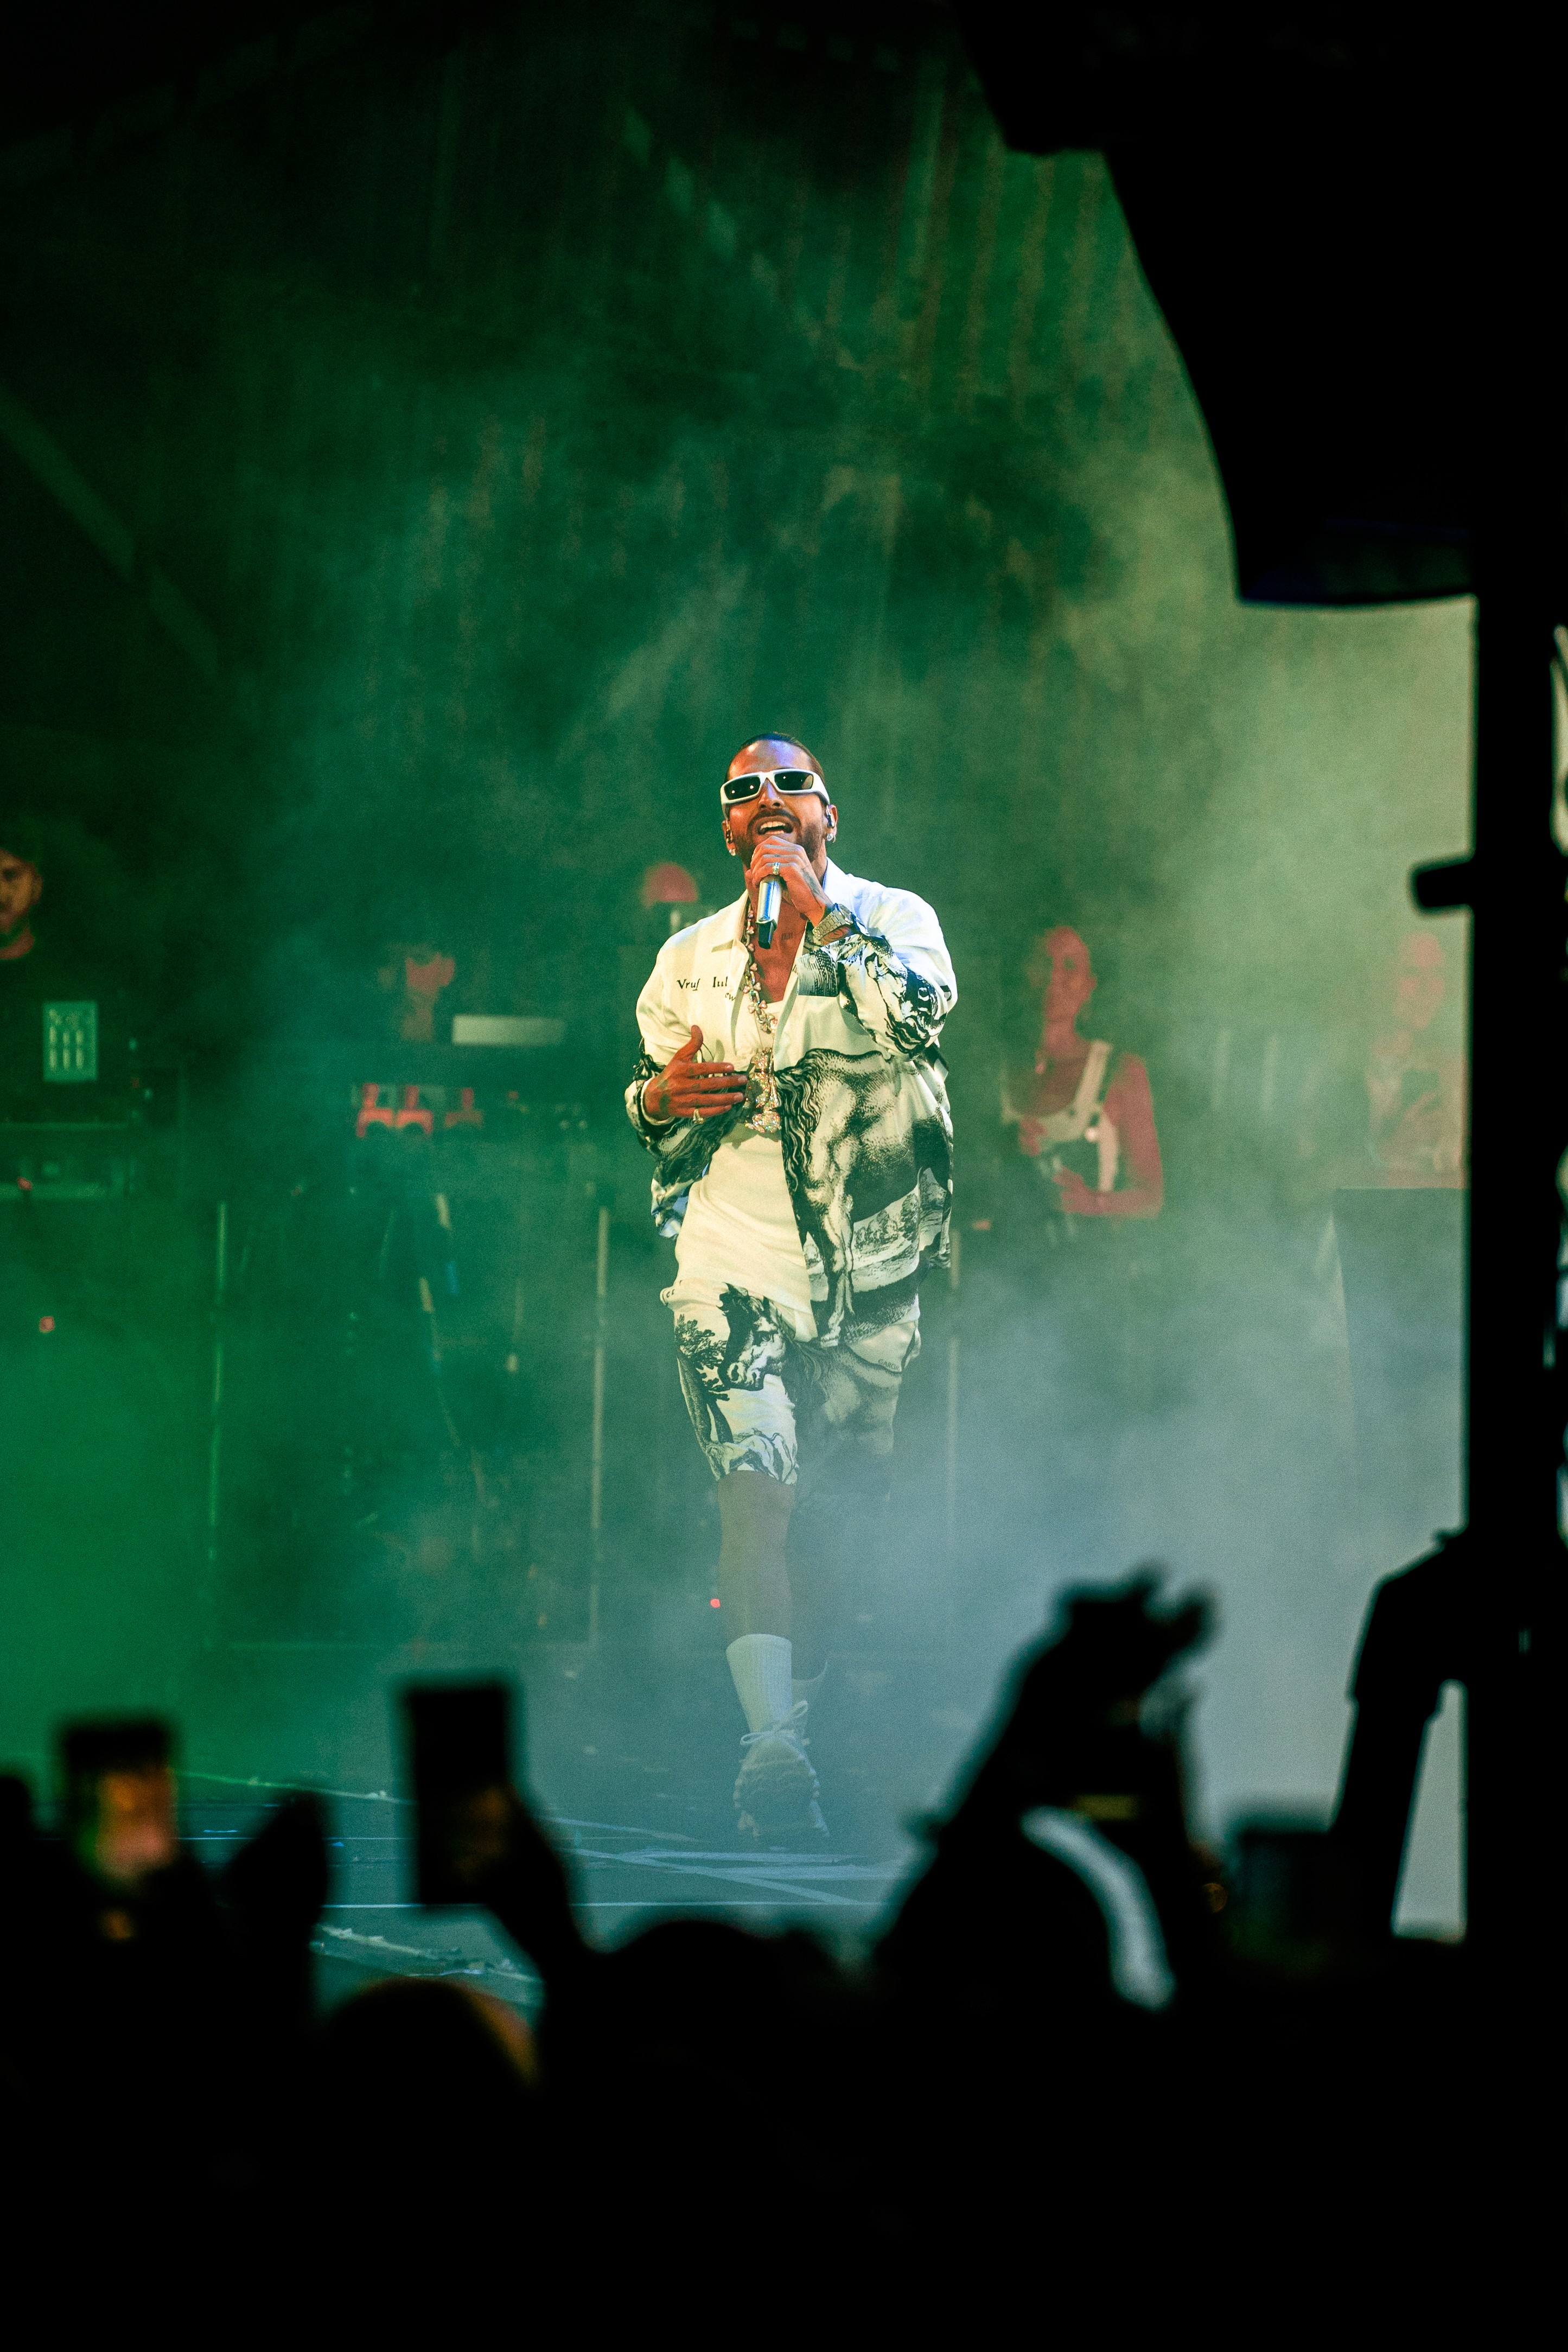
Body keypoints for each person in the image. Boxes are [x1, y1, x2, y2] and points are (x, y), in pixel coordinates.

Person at [627, 734, 955, 1839]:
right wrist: (657, 1104)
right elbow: (653, 1118)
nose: (766, 799)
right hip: (729, 1263)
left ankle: (795, 1721)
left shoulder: (896, 916)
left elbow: (912, 1019)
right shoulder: (684, 960)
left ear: (827, 811)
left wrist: (819, 914)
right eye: (743, 791)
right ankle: (767, 1744)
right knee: (755, 1488)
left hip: (865, 1272)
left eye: (789, 785)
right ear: (726, 829)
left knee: (841, 1526)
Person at [1000, 923, 1162, 1222]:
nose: (1054, 977)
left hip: (1085, 1261)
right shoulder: (998, 1066)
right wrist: (1001, 1148)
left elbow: (1152, 1197)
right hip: (1000, 1257)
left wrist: (1094, 1202)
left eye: (1071, 966)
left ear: (1089, 985)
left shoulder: (1119, 1071)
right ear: (1026, 973)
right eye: (1044, 963)